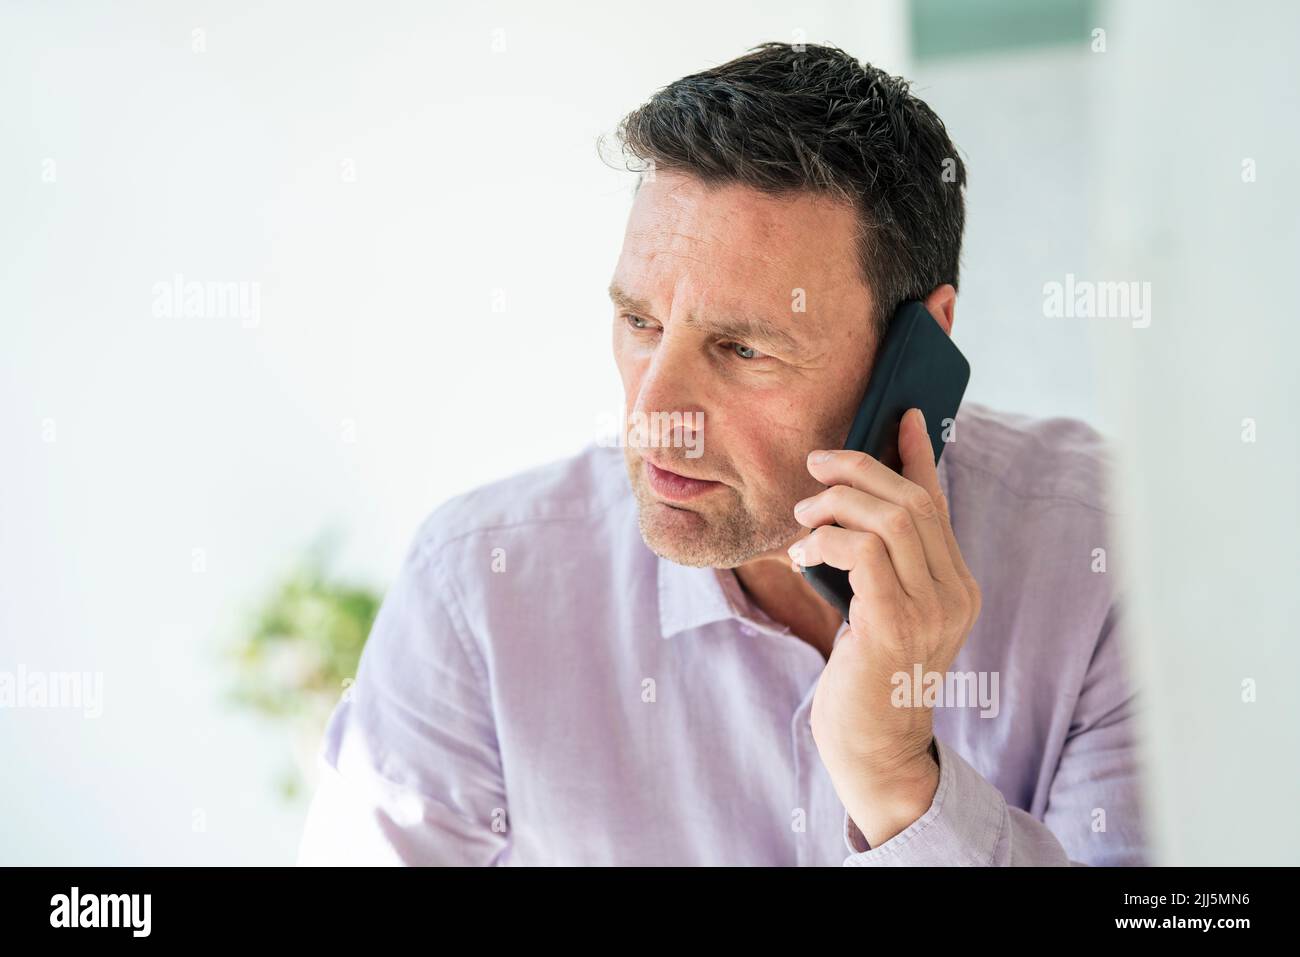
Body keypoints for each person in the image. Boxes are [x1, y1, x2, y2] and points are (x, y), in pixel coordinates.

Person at [296, 42, 1148, 866]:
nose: (655, 414)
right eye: (640, 323)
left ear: (920, 344)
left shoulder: (1106, 554)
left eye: (744, 349)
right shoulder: (477, 589)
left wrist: (897, 783)